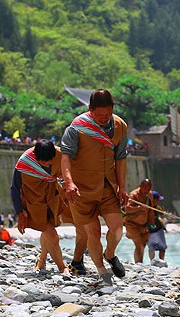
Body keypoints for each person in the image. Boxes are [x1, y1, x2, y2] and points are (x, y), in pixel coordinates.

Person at [61, 89, 127, 285]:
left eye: (107, 114)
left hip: (108, 186)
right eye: (99, 115)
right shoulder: (76, 128)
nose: (104, 118)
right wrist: (69, 183)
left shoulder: (120, 126)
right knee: (93, 232)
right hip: (81, 189)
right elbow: (66, 157)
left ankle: (110, 253)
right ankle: (102, 272)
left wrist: (122, 187)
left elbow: (121, 158)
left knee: (117, 229)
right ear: (90, 109)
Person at [10, 139, 69, 274]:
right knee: (52, 235)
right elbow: (14, 188)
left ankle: (41, 259)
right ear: (36, 158)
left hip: (52, 199)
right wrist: (20, 214)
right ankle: (62, 267)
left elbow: (72, 169)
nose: (48, 164)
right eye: (44, 163)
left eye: (51, 161)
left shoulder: (61, 154)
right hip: (34, 204)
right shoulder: (24, 163)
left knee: (48, 229)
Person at [124, 179, 155, 263]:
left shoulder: (150, 194)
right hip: (132, 224)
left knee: (143, 245)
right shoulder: (134, 195)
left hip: (144, 225)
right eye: (145, 188)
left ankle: (139, 263)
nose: (147, 190)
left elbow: (151, 210)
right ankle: (138, 264)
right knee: (139, 244)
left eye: (149, 188)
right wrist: (141, 208)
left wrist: (153, 223)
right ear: (140, 186)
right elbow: (127, 209)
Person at [147, 191, 167, 262]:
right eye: (157, 200)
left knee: (162, 248)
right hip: (150, 231)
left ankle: (162, 262)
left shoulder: (157, 208)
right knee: (151, 248)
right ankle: (152, 262)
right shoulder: (146, 208)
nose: (158, 201)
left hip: (159, 230)